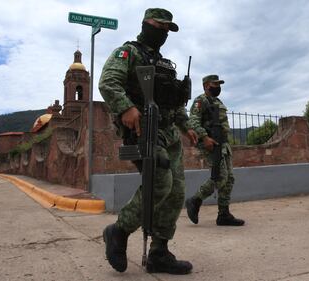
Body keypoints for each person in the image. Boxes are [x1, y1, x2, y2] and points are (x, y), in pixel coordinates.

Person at [98, 8, 198, 275]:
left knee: (176, 193)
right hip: (144, 131)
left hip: (170, 135)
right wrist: (126, 108)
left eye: (168, 29)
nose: (164, 32)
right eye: (160, 26)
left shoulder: (163, 64)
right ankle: (118, 232)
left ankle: (159, 253)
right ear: (146, 24)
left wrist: (186, 127)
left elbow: (173, 104)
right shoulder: (128, 53)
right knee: (160, 182)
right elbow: (108, 82)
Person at [185, 75, 245, 226]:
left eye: (219, 84)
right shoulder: (201, 100)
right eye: (214, 84)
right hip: (210, 143)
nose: (218, 87)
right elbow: (193, 121)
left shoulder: (218, 102)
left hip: (223, 144)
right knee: (220, 176)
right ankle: (195, 200)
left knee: (229, 178)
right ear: (206, 85)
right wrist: (205, 138)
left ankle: (223, 215)